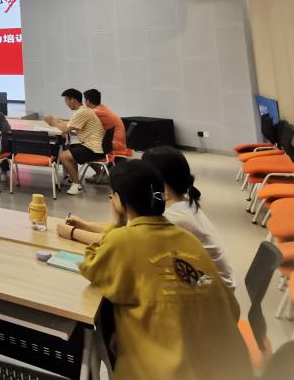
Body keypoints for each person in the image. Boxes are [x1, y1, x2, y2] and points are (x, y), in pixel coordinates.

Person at [77, 160, 249, 380]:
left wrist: (117, 223)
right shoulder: (187, 238)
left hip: (169, 369)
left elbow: (91, 266)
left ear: (117, 200)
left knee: (103, 321)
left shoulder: (123, 239)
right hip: (226, 359)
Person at [142, 146, 235, 290]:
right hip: (215, 283)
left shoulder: (174, 218)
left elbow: (135, 243)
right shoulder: (185, 203)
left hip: (214, 291)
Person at [43, 88, 104, 195]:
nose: (66, 103)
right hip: (93, 144)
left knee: (64, 156)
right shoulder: (83, 111)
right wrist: (57, 121)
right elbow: (69, 125)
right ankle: (74, 178)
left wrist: (53, 122)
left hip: (94, 147)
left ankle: (76, 184)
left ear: (73, 100)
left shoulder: (82, 112)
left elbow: (66, 129)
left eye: (66, 100)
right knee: (68, 149)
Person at [83, 88, 126, 184]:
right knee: (86, 144)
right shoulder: (102, 109)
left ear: (88, 101)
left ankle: (101, 174)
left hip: (113, 145)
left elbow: (79, 125)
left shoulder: (96, 112)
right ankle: (101, 174)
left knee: (82, 149)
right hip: (117, 142)